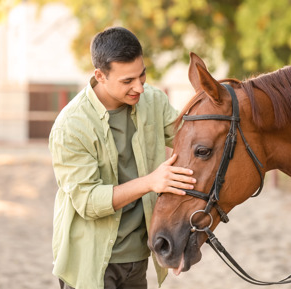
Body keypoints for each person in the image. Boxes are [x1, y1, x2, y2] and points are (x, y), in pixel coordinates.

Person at [49, 26, 196, 289]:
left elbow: (192, 142)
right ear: (100, 76)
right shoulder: (70, 127)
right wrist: (151, 182)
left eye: (142, 75)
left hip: (137, 258)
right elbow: (89, 201)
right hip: (90, 261)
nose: (139, 87)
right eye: (127, 81)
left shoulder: (153, 100)